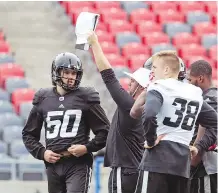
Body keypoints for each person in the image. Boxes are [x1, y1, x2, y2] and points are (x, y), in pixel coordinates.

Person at [130, 51, 217, 193]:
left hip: (157, 159)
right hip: (182, 163)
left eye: (155, 68)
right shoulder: (193, 92)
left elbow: (148, 114)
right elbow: (215, 122)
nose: (152, 72)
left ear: (166, 69)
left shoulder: (159, 86)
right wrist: (199, 147)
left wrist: (151, 140)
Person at [22, 52, 110, 193]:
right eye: (66, 72)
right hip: (53, 164)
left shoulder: (86, 97)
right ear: (56, 72)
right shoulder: (43, 98)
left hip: (78, 163)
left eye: (74, 73)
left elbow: (105, 131)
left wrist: (87, 148)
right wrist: (42, 152)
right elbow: (28, 134)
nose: (70, 77)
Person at [87, 31, 151, 193]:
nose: (129, 82)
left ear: (142, 87)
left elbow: (108, 76)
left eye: (133, 81)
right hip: (139, 171)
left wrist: (94, 43)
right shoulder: (149, 108)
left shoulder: (129, 104)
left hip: (125, 171)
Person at [187, 60, 217, 193]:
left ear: (200, 78)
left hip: (206, 167)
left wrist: (192, 164)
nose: (188, 84)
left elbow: (206, 133)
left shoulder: (208, 101)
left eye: (190, 80)